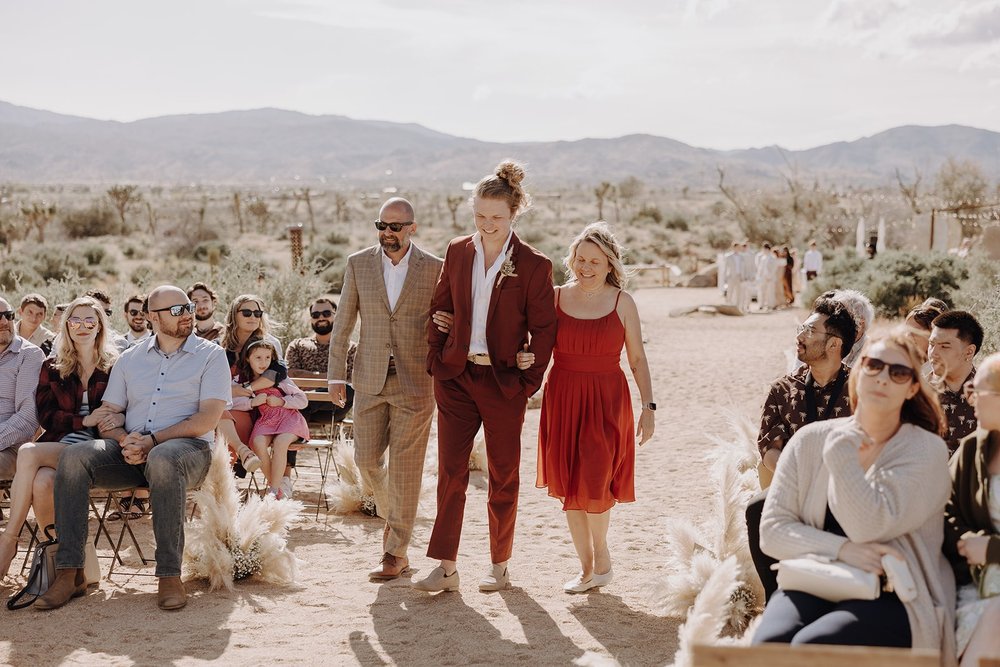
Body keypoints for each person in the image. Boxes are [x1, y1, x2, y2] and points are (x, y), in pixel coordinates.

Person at [754, 329, 955, 657]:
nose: (883, 377)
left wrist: (842, 456)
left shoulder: (924, 450)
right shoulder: (810, 440)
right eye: (873, 365)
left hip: (896, 593)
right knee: (768, 647)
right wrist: (842, 548)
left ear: (912, 388)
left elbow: (868, 525)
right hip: (817, 579)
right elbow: (772, 532)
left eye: (899, 372)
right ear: (858, 372)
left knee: (813, 649)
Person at [38, 285, 230, 611]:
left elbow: (207, 419)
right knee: (74, 457)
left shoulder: (211, 356)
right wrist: (125, 440)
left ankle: (169, 574)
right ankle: (71, 572)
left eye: (188, 307)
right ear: (153, 317)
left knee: (164, 457)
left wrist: (152, 441)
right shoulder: (130, 358)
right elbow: (110, 413)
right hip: (133, 448)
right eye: (177, 309)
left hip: (187, 451)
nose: (188, 314)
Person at [413, 160, 557, 593]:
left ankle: (499, 564)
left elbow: (546, 328)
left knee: (502, 474)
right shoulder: (458, 250)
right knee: (450, 473)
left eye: (496, 217)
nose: (486, 224)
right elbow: (440, 305)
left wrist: (527, 383)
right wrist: (437, 354)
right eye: (479, 215)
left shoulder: (533, 264)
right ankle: (446, 567)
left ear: (514, 214)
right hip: (455, 378)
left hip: (503, 383)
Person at [525, 222, 654, 593]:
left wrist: (649, 406)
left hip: (606, 401)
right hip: (563, 397)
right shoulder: (555, 297)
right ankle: (585, 568)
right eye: (580, 259)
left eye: (594, 261)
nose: (585, 267)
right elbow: (535, 347)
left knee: (596, 479)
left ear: (609, 264)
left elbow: (638, 359)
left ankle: (602, 555)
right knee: (569, 483)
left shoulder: (622, 302)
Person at [328, 197, 443, 581]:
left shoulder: (436, 268)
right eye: (382, 225)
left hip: (416, 382)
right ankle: (395, 517)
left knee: (407, 470)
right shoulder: (358, 263)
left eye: (396, 226)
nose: (388, 234)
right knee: (366, 462)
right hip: (369, 379)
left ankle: (396, 553)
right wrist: (334, 376)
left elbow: (451, 318)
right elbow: (343, 323)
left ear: (413, 227)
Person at [0, 296, 120, 577]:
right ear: (66, 327)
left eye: (90, 319)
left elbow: (127, 407)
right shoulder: (53, 367)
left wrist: (111, 419)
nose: (82, 326)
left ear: (100, 325)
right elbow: (47, 416)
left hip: (102, 447)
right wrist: (85, 419)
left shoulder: (117, 365)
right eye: (75, 320)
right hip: (63, 444)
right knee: (43, 481)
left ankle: (9, 541)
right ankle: (61, 561)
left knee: (29, 452)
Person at [748, 297, 857, 600]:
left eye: (810, 331)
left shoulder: (863, 388)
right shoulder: (783, 389)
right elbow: (769, 447)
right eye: (802, 329)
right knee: (757, 508)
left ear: (835, 344)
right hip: (795, 489)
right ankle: (776, 599)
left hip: (848, 492)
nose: (800, 337)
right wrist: (797, 478)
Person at [944, 352, 1000, 666]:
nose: (970, 400)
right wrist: (966, 542)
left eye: (976, 391)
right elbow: (946, 510)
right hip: (976, 580)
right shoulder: (972, 448)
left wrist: (992, 550)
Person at [216, 294, 287, 483]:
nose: (253, 317)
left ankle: (223, 483)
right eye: (246, 312)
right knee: (214, 415)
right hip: (223, 403)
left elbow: (273, 377)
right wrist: (233, 391)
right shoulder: (220, 346)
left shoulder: (270, 343)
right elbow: (209, 382)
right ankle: (240, 456)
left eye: (257, 313)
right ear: (234, 315)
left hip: (256, 406)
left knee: (223, 419)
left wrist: (242, 388)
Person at [232, 338, 309, 499]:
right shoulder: (244, 381)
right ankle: (277, 485)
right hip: (266, 421)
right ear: (248, 358)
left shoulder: (280, 380)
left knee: (281, 443)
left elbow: (303, 400)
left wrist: (282, 401)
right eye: (258, 358)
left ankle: (273, 490)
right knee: (258, 442)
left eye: (268, 358)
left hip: (288, 419)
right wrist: (252, 402)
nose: (263, 362)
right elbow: (231, 402)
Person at [287, 295, 357, 425]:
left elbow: (350, 382)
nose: (321, 318)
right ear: (311, 319)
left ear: (336, 315)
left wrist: (307, 380)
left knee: (348, 389)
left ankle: (303, 403)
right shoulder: (297, 345)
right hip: (299, 406)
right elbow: (291, 375)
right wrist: (332, 378)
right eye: (316, 315)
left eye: (326, 313)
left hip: (333, 409)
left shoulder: (350, 348)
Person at [0, 297, 45, 483]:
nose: (4, 322)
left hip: (11, 447)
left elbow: (28, 417)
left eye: (8, 316)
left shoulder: (30, 355)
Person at [928, 310, 983, 454]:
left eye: (944, 346)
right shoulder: (917, 393)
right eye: (931, 344)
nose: (933, 353)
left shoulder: (989, 395)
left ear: (969, 352)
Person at [755, 243, 776, 312]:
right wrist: (759, 276)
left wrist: (770, 276)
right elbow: (760, 268)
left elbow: (774, 268)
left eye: (764, 249)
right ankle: (761, 305)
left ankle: (770, 305)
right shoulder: (763, 258)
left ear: (767, 249)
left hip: (770, 278)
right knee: (762, 291)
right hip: (762, 277)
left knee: (770, 292)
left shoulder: (773, 257)